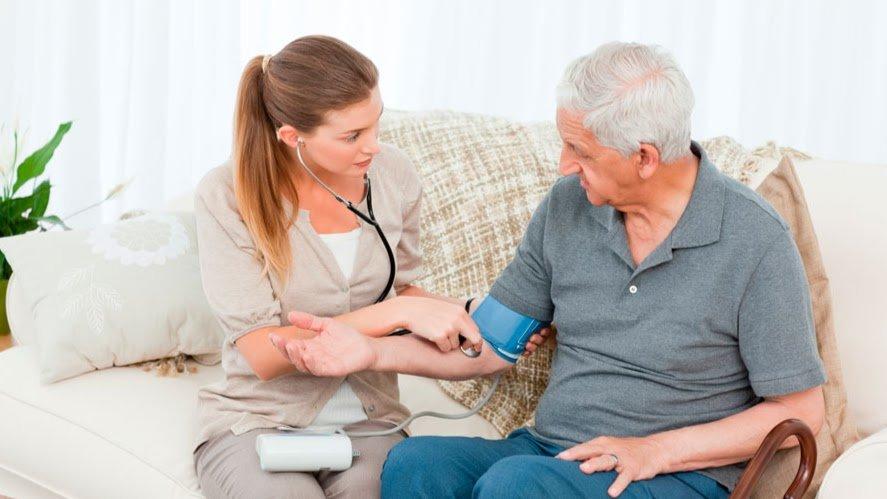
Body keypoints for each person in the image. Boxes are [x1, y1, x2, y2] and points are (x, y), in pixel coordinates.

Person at [270, 42, 827, 498]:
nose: (564, 166)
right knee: (418, 464)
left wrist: (656, 450)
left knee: (517, 486)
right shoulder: (568, 208)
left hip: (672, 475)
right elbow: (490, 344)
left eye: (579, 150)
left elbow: (800, 412)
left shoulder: (754, 240)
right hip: (551, 454)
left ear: (645, 157)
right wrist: (369, 351)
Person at [191, 35, 547, 499]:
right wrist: (395, 313)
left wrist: (466, 313)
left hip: (371, 423)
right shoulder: (227, 195)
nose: (374, 147)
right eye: (352, 136)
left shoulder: (393, 174)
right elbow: (262, 352)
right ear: (293, 137)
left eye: (376, 124)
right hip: (260, 419)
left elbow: (400, 289)